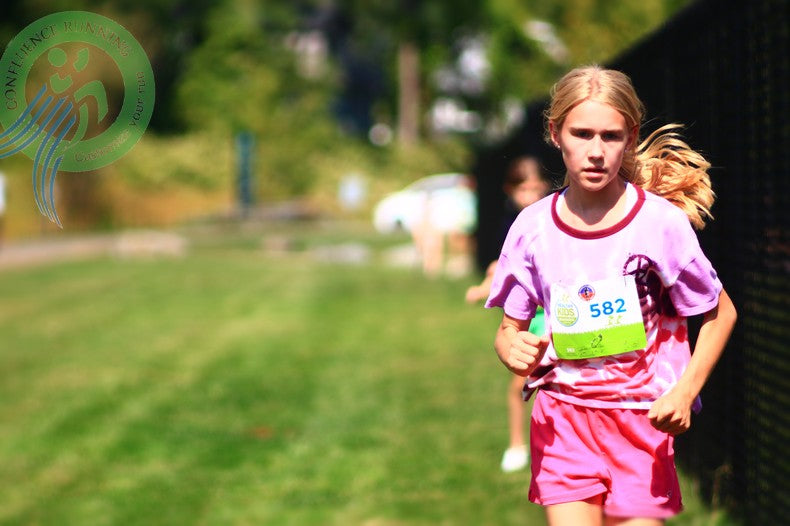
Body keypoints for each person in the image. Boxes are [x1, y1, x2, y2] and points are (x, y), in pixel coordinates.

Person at [485, 66, 737, 524]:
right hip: (563, 421)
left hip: (641, 422)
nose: (596, 152)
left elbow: (721, 313)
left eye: (610, 136)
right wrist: (512, 350)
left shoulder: (659, 224)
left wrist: (686, 391)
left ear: (630, 136)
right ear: (555, 133)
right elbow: (508, 331)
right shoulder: (533, 228)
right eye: (581, 134)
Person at [465, 156, 551, 472]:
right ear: (510, 190)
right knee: (520, 384)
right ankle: (517, 444)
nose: (529, 195)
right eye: (522, 189)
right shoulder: (511, 223)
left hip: (559, 315)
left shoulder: (553, 220)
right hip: (531, 319)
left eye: (534, 187)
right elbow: (504, 267)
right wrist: (484, 286)